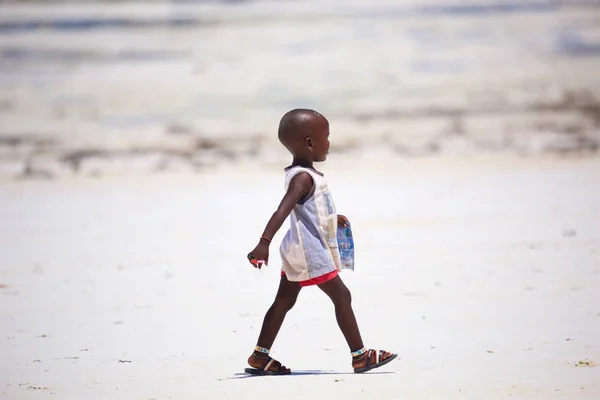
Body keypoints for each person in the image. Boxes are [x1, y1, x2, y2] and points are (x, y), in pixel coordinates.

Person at [245, 108, 397, 375]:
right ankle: (360, 356)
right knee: (342, 296)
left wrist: (331, 218)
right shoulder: (303, 178)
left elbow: (308, 210)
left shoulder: (301, 174)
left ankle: (260, 356)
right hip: (310, 252)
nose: (329, 142)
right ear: (309, 143)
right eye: (326, 136)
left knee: (283, 301)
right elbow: (283, 209)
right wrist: (264, 241)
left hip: (297, 249)